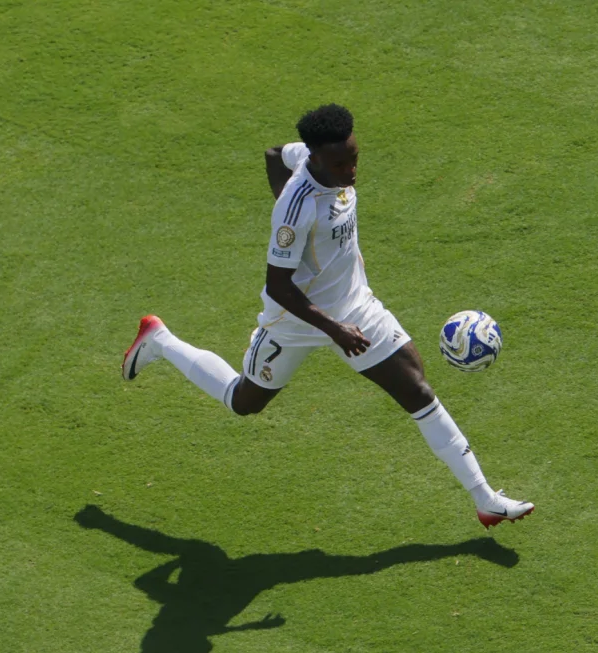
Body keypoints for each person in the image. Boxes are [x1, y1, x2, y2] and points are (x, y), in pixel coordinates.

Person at [121, 103, 533, 528]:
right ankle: (161, 341)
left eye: (354, 157)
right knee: (245, 402)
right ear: (317, 159)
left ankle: (486, 500)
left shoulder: (309, 155)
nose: (352, 170)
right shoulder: (295, 212)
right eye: (341, 163)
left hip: (356, 306)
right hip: (295, 322)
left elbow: (272, 153)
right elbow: (280, 285)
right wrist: (333, 328)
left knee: (417, 391)